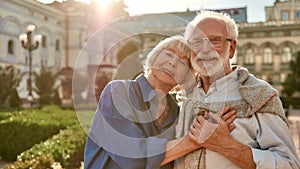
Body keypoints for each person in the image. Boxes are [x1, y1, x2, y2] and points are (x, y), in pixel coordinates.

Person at [84, 35, 236, 169]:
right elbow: (132, 158)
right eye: (168, 54)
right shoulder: (118, 92)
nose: (173, 63)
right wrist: (194, 140)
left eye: (183, 62)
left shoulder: (178, 112)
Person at [175, 10, 300, 169]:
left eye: (215, 40)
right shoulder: (181, 96)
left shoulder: (259, 95)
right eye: (196, 41)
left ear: (232, 48)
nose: (205, 49)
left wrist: (225, 145)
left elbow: (289, 165)